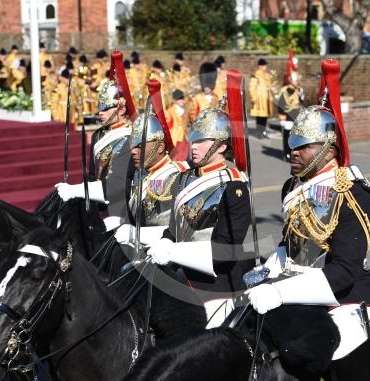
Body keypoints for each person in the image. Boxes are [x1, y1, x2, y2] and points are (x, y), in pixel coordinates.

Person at [245, 59, 370, 381]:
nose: (292, 152)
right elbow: (293, 245)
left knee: (325, 358)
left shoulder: (351, 192)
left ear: (328, 149)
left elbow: (343, 271)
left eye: (302, 146)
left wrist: (280, 293)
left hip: (344, 298)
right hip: (299, 288)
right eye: (291, 145)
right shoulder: (293, 186)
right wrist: (270, 268)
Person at [147, 71, 253, 329]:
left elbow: (226, 250)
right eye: (193, 140)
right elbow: (174, 229)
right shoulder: (184, 178)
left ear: (220, 146)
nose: (193, 146)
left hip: (215, 286)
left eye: (202, 141)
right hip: (179, 277)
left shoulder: (234, 185)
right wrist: (163, 245)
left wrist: (173, 251)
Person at [56, 51, 137, 231]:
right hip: (98, 204)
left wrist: (77, 190)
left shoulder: (132, 136)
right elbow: (93, 175)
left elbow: (120, 182)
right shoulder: (98, 136)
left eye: (106, 108)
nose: (100, 113)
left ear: (121, 109)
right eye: (99, 108)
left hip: (124, 206)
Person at [114, 79, 190, 248]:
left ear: (160, 146)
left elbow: (175, 229)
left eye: (139, 146)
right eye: (133, 146)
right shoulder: (139, 173)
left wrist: (134, 235)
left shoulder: (176, 174)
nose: (133, 151)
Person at [277, 70, 305, 161]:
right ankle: (286, 154)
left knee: (296, 136)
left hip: (296, 115)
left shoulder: (299, 89)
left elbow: (301, 102)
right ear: (290, 81)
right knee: (287, 136)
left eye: (297, 81)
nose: (296, 82)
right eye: (294, 80)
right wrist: (282, 117)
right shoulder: (285, 90)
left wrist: (301, 94)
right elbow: (281, 104)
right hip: (287, 115)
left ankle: (294, 153)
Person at [249, 58, 276, 139]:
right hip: (259, 99)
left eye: (265, 65)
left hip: (266, 99)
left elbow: (270, 85)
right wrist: (253, 97)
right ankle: (259, 132)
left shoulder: (267, 75)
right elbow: (252, 87)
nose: (265, 67)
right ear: (260, 66)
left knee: (265, 116)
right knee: (259, 116)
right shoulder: (255, 74)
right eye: (263, 65)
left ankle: (264, 131)